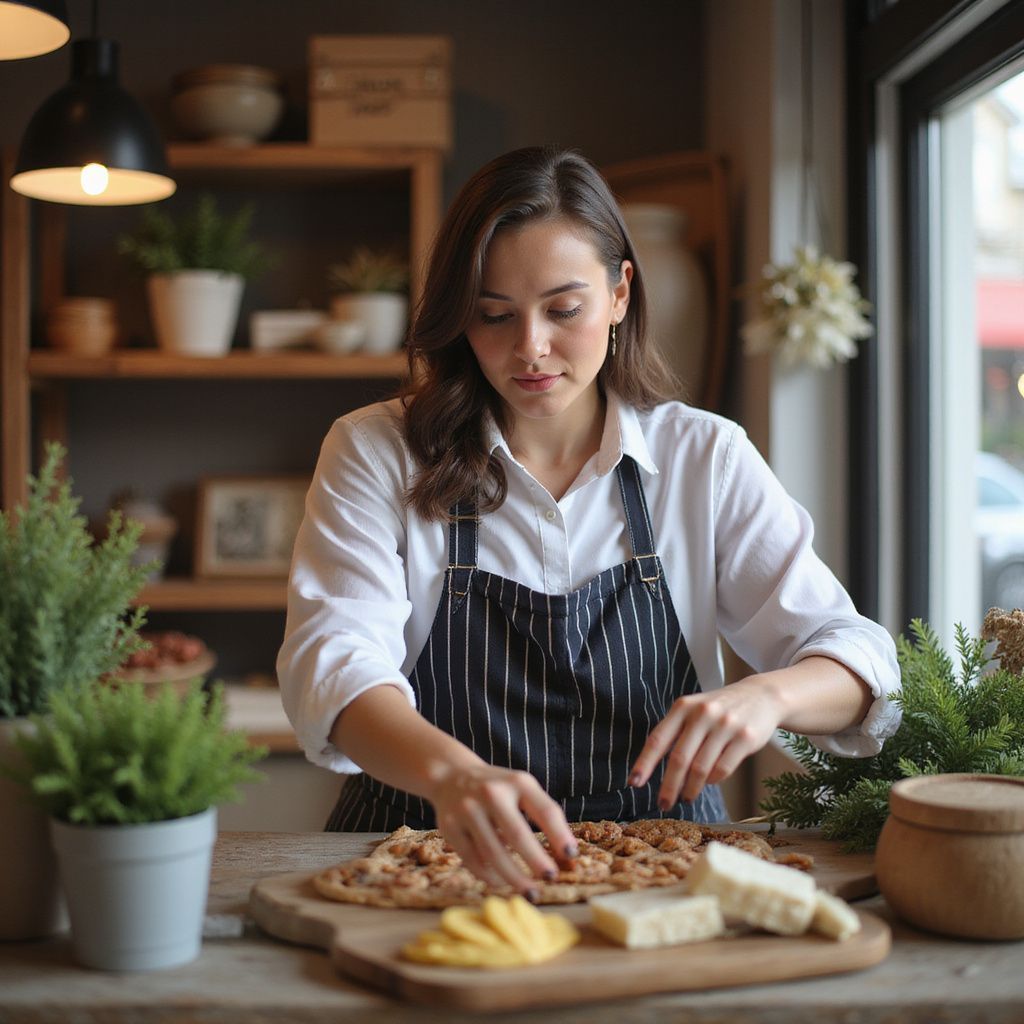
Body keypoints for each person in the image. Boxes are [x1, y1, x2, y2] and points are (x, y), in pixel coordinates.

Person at [277, 145, 901, 895]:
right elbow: (333, 665)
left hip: (664, 868)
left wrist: (771, 695)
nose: (530, 347)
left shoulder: (705, 456)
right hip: (422, 853)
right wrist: (455, 777)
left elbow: (859, 661)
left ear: (620, 294)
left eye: (563, 309)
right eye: (493, 315)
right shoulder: (376, 450)